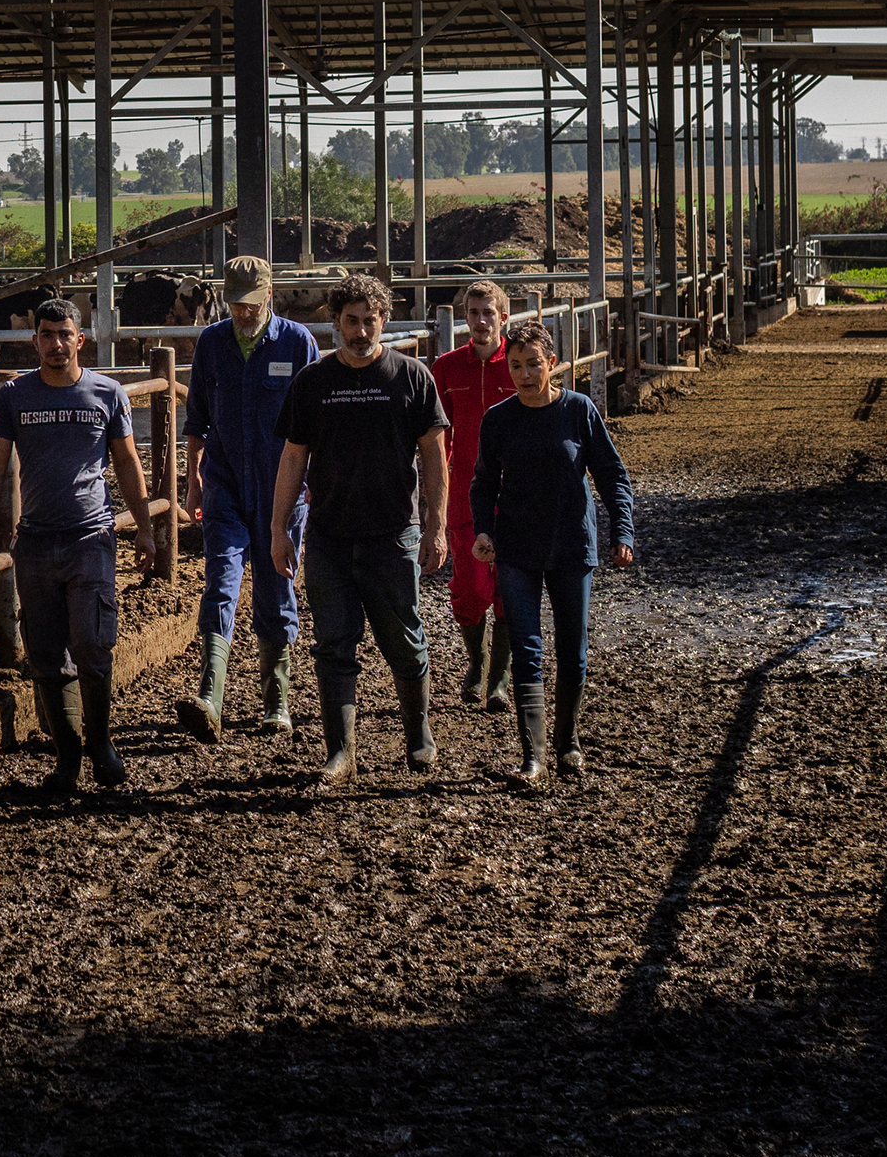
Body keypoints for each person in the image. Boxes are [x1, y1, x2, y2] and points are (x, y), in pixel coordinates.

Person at [267, 272, 449, 780]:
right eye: (351, 321)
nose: (361, 331)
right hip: (328, 537)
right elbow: (292, 458)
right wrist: (280, 527)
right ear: (336, 322)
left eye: (370, 321)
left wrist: (436, 525)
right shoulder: (313, 381)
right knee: (333, 645)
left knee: (405, 640)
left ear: (384, 321)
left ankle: (418, 736)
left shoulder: (411, 377)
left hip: (392, 534)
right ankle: (341, 751)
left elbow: (434, 456)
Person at [0, 296, 156, 800]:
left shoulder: (107, 393)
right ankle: (68, 756)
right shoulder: (13, 397)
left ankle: (100, 741)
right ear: (35, 341)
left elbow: (126, 462)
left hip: (91, 537)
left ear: (81, 339)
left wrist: (143, 526)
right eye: (46, 335)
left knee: (94, 645)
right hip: (34, 538)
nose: (56, 345)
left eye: (65, 335)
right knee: (47, 654)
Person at [469, 317, 637, 784]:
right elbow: (482, 484)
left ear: (554, 364)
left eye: (534, 365)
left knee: (574, 651)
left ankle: (569, 743)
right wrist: (484, 531)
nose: (524, 375)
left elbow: (611, 475)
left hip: (571, 546)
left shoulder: (579, 411)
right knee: (526, 649)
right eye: (516, 365)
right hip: (517, 549)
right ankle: (533, 755)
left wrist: (621, 532)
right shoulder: (498, 420)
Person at [176, 253, 322, 743]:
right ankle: (209, 696)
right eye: (236, 304)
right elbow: (196, 417)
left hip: (282, 488)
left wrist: (314, 485)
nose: (243, 313)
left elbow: (315, 422)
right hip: (226, 481)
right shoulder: (212, 343)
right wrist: (193, 479)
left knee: (276, 585)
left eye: (252, 304)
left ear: (270, 296)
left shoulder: (298, 343)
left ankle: (275, 699)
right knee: (222, 577)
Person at [430, 279, 518, 712]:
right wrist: (436, 495)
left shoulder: (518, 366)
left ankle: (500, 676)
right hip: (463, 490)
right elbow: (436, 438)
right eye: (473, 313)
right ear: (465, 318)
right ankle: (477, 661)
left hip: (513, 492)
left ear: (504, 317)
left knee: (508, 584)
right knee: (468, 585)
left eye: (489, 313)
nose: (480, 321)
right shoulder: (446, 367)